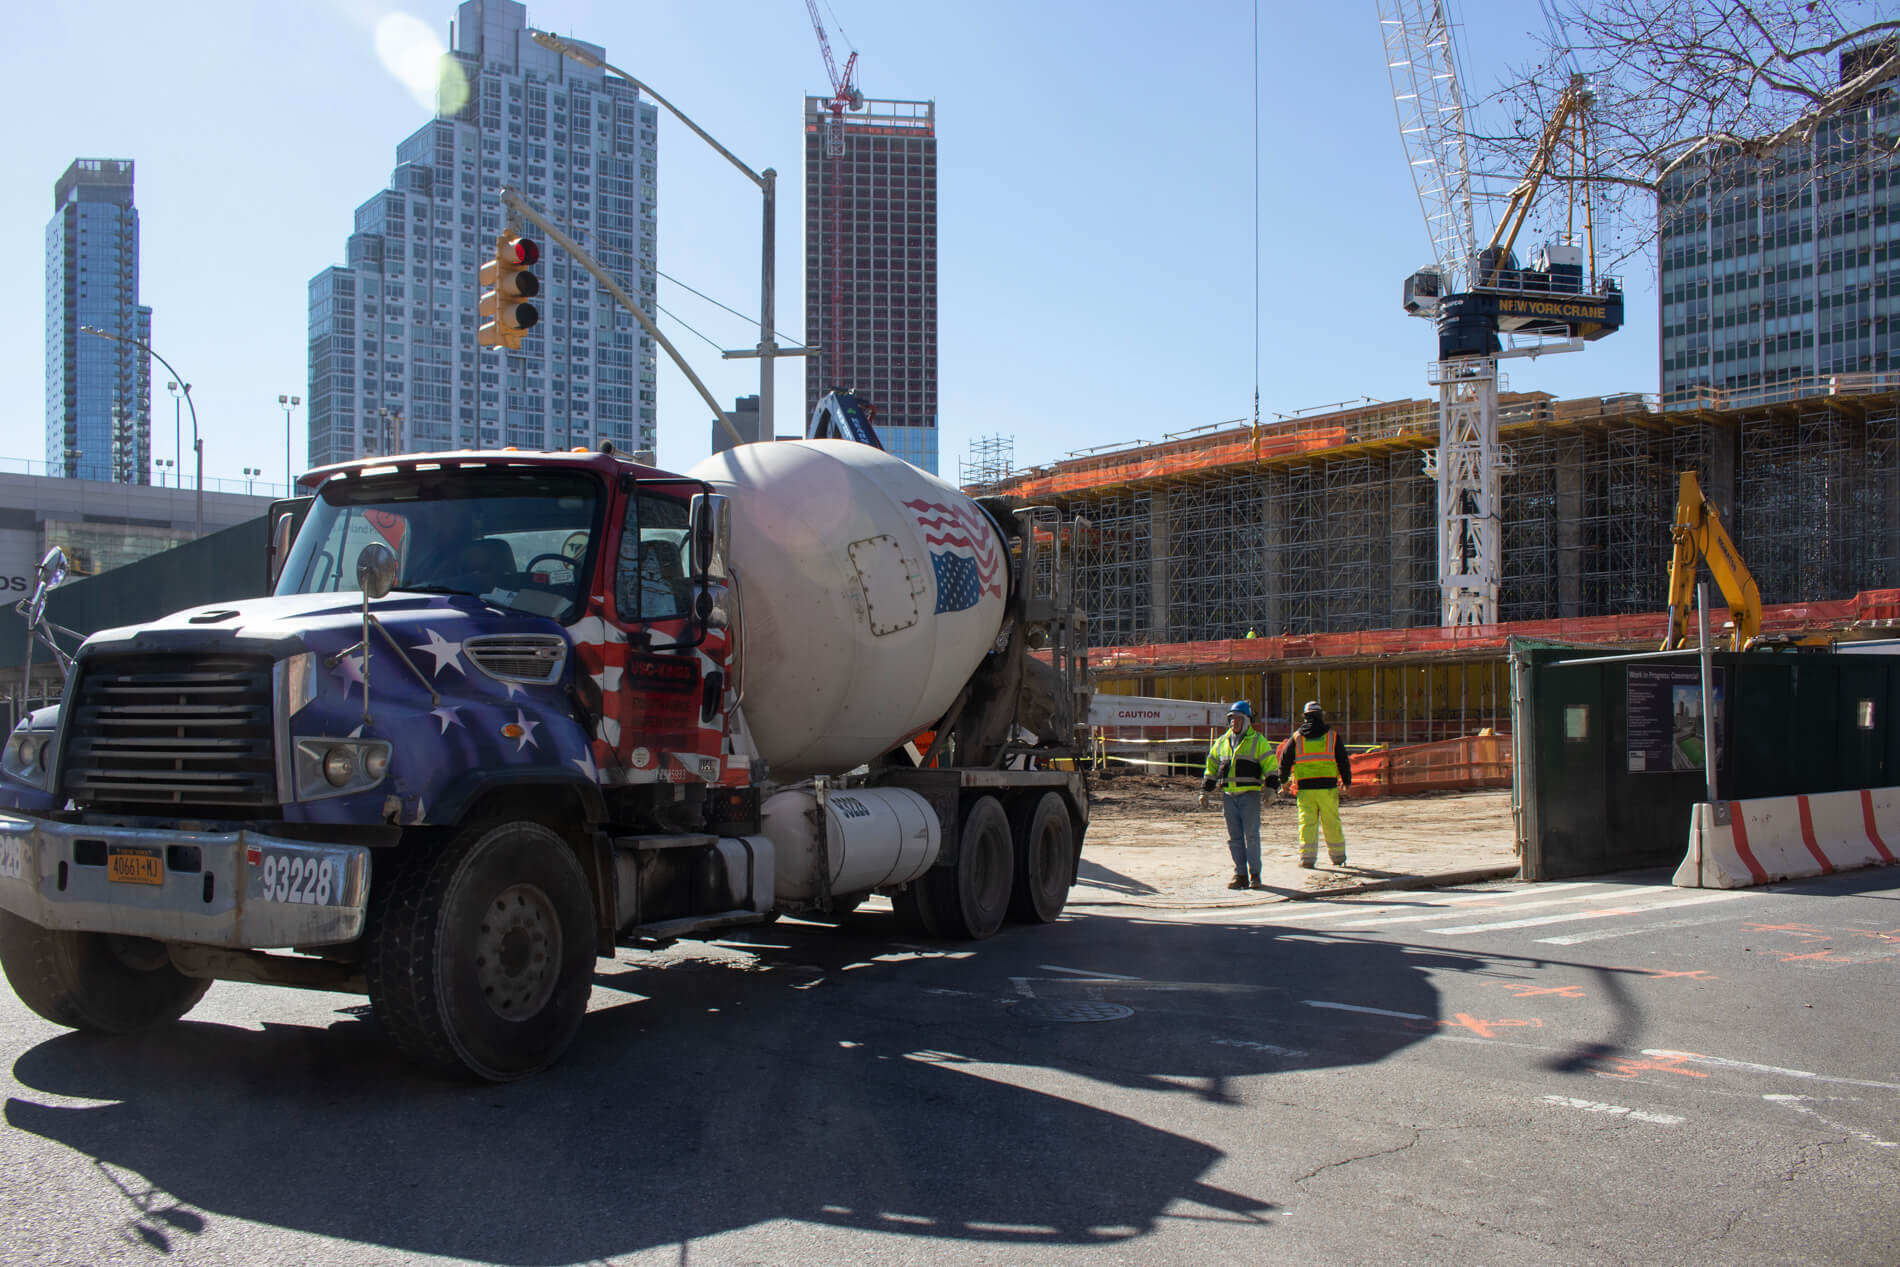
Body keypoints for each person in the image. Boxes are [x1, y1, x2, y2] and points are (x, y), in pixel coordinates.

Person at [1199, 700, 1279, 889]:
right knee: (1234, 838)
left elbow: (1270, 766)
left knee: (1251, 836)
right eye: (1231, 718)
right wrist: (1205, 790)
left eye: (1237, 718)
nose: (1234, 722)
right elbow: (1211, 766)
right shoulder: (1222, 742)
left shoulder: (1258, 741)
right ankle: (1240, 874)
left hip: (1249, 795)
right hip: (1229, 796)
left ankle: (1255, 875)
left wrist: (1271, 788)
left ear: (1246, 720)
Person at [1278, 700, 1353, 868]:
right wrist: (1347, 781)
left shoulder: (1297, 737)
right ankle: (1338, 857)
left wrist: (1283, 781)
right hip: (1328, 788)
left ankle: (1307, 859)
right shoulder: (1332, 736)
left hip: (1306, 790)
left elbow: (1285, 760)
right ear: (1321, 716)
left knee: (1307, 823)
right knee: (1331, 822)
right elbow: (1343, 760)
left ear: (1305, 717)